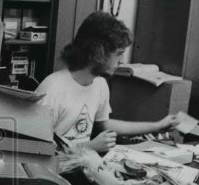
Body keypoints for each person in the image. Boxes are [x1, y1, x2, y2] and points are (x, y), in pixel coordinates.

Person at [35, 11, 183, 152]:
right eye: (119, 54)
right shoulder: (53, 90)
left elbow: (105, 124)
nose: (122, 61)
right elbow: (35, 152)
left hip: (83, 164)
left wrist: (158, 126)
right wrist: (89, 147)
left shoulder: (99, 84)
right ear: (98, 52)